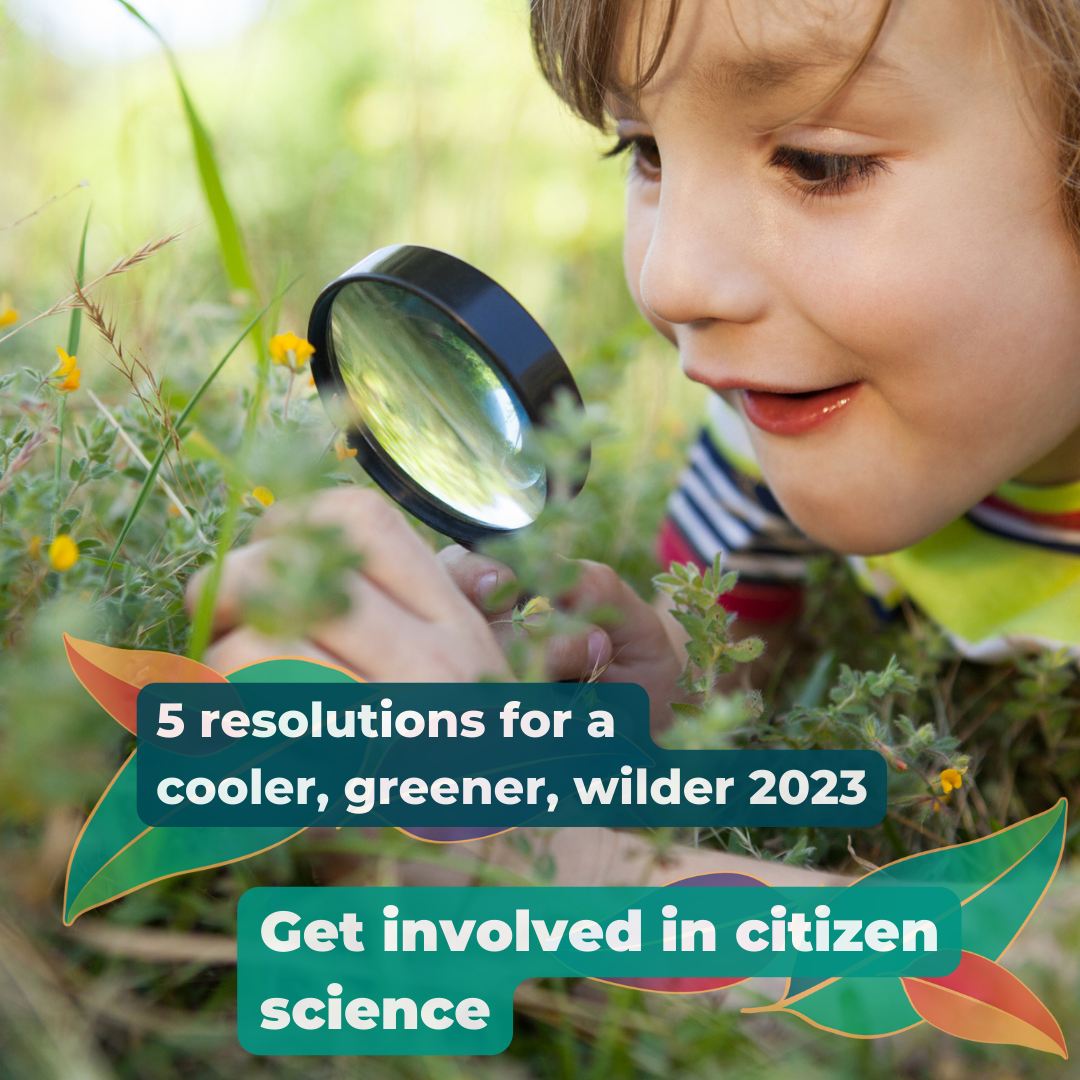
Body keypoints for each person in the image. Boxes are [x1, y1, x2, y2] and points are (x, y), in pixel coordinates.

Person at [188, 0, 1080, 883]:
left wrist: (559, 874)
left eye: (819, 162)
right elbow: (735, 679)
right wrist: (651, 711)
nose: (672, 280)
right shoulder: (776, 416)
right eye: (647, 150)